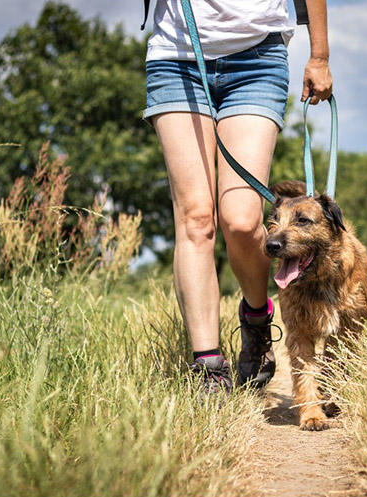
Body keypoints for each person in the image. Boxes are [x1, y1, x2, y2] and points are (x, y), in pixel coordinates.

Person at [143, 0, 333, 393]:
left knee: (243, 222)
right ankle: (208, 365)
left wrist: (319, 55)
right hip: (177, 57)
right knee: (195, 218)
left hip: (257, 57)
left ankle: (257, 318)